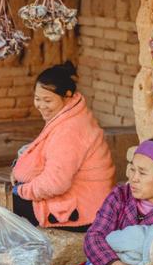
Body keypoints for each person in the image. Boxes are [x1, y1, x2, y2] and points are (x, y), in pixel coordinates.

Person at [10, 61, 115, 232]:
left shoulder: (70, 130)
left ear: (67, 95)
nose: (41, 106)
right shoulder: (70, 114)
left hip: (84, 210)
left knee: (6, 203)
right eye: (37, 99)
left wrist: (22, 190)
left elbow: (55, 183)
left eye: (48, 100)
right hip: (87, 200)